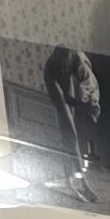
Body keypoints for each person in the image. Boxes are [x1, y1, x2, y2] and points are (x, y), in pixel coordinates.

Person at [42, 45, 103, 202]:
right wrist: (84, 106)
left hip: (68, 72)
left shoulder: (82, 66)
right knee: (70, 134)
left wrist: (91, 107)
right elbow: (67, 100)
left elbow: (89, 93)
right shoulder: (59, 66)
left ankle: (76, 181)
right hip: (52, 77)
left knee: (69, 135)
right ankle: (79, 183)